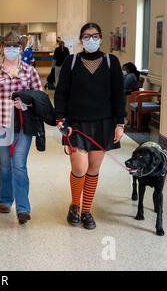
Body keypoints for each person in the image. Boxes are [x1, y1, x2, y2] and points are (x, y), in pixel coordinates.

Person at [55, 23, 126, 230]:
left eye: (95, 36)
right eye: (86, 36)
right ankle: (74, 205)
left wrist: (120, 123)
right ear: (81, 39)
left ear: (101, 38)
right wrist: (60, 118)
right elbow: (61, 93)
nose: (91, 39)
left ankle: (86, 210)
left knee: (93, 169)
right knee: (79, 168)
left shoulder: (111, 61)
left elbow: (118, 96)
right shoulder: (71, 61)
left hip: (104, 123)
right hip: (75, 124)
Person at [0, 31, 43, 225]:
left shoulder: (29, 71)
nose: (11, 50)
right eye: (8, 46)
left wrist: (25, 104)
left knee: (19, 165)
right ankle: (5, 199)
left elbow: (39, 97)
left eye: (15, 46)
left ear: (21, 49)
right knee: (5, 164)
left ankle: (23, 208)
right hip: (1, 125)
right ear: (1, 48)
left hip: (23, 126)